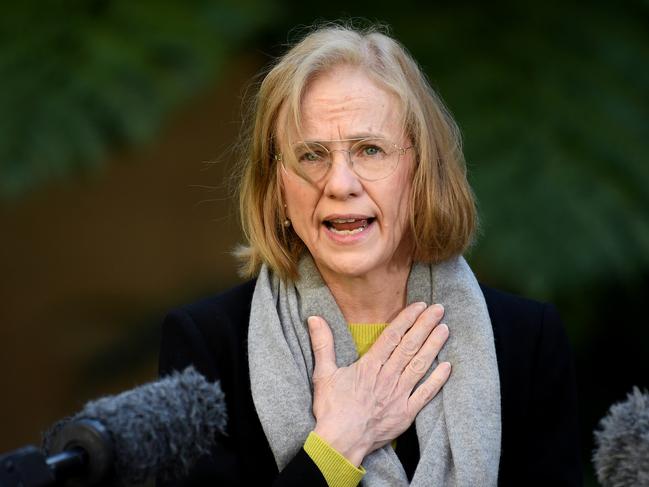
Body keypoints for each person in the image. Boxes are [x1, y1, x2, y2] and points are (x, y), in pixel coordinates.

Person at [158, 23, 582, 486]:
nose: (340, 184)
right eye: (312, 155)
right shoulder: (208, 346)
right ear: (278, 188)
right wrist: (337, 448)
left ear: (420, 173)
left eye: (370, 150)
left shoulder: (526, 341)